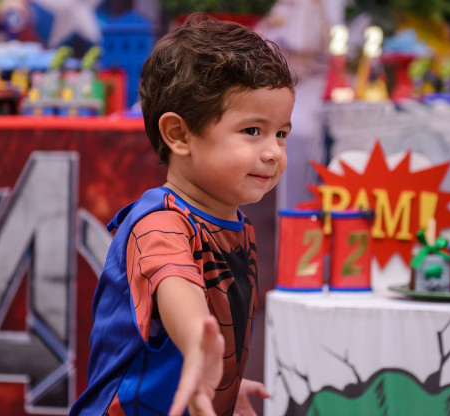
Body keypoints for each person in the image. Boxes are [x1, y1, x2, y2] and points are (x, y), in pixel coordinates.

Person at [70, 14, 295, 416]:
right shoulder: (159, 222)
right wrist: (197, 345)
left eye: (281, 134)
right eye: (252, 131)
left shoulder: (234, 224)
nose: (273, 152)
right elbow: (177, 286)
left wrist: (226, 385)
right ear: (179, 134)